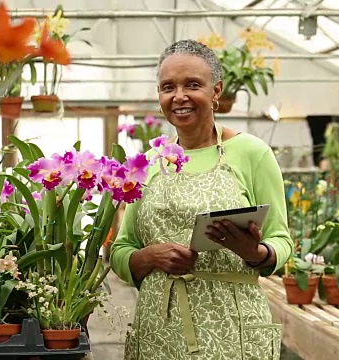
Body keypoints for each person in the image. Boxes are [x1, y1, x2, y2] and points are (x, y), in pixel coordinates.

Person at [110, 39, 292, 360]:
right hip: (159, 328)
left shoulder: (251, 153)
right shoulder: (150, 162)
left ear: (216, 91)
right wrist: (151, 257)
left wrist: (255, 252)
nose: (179, 96)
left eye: (192, 85)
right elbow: (122, 250)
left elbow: (282, 240)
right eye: (168, 87)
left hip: (232, 326)